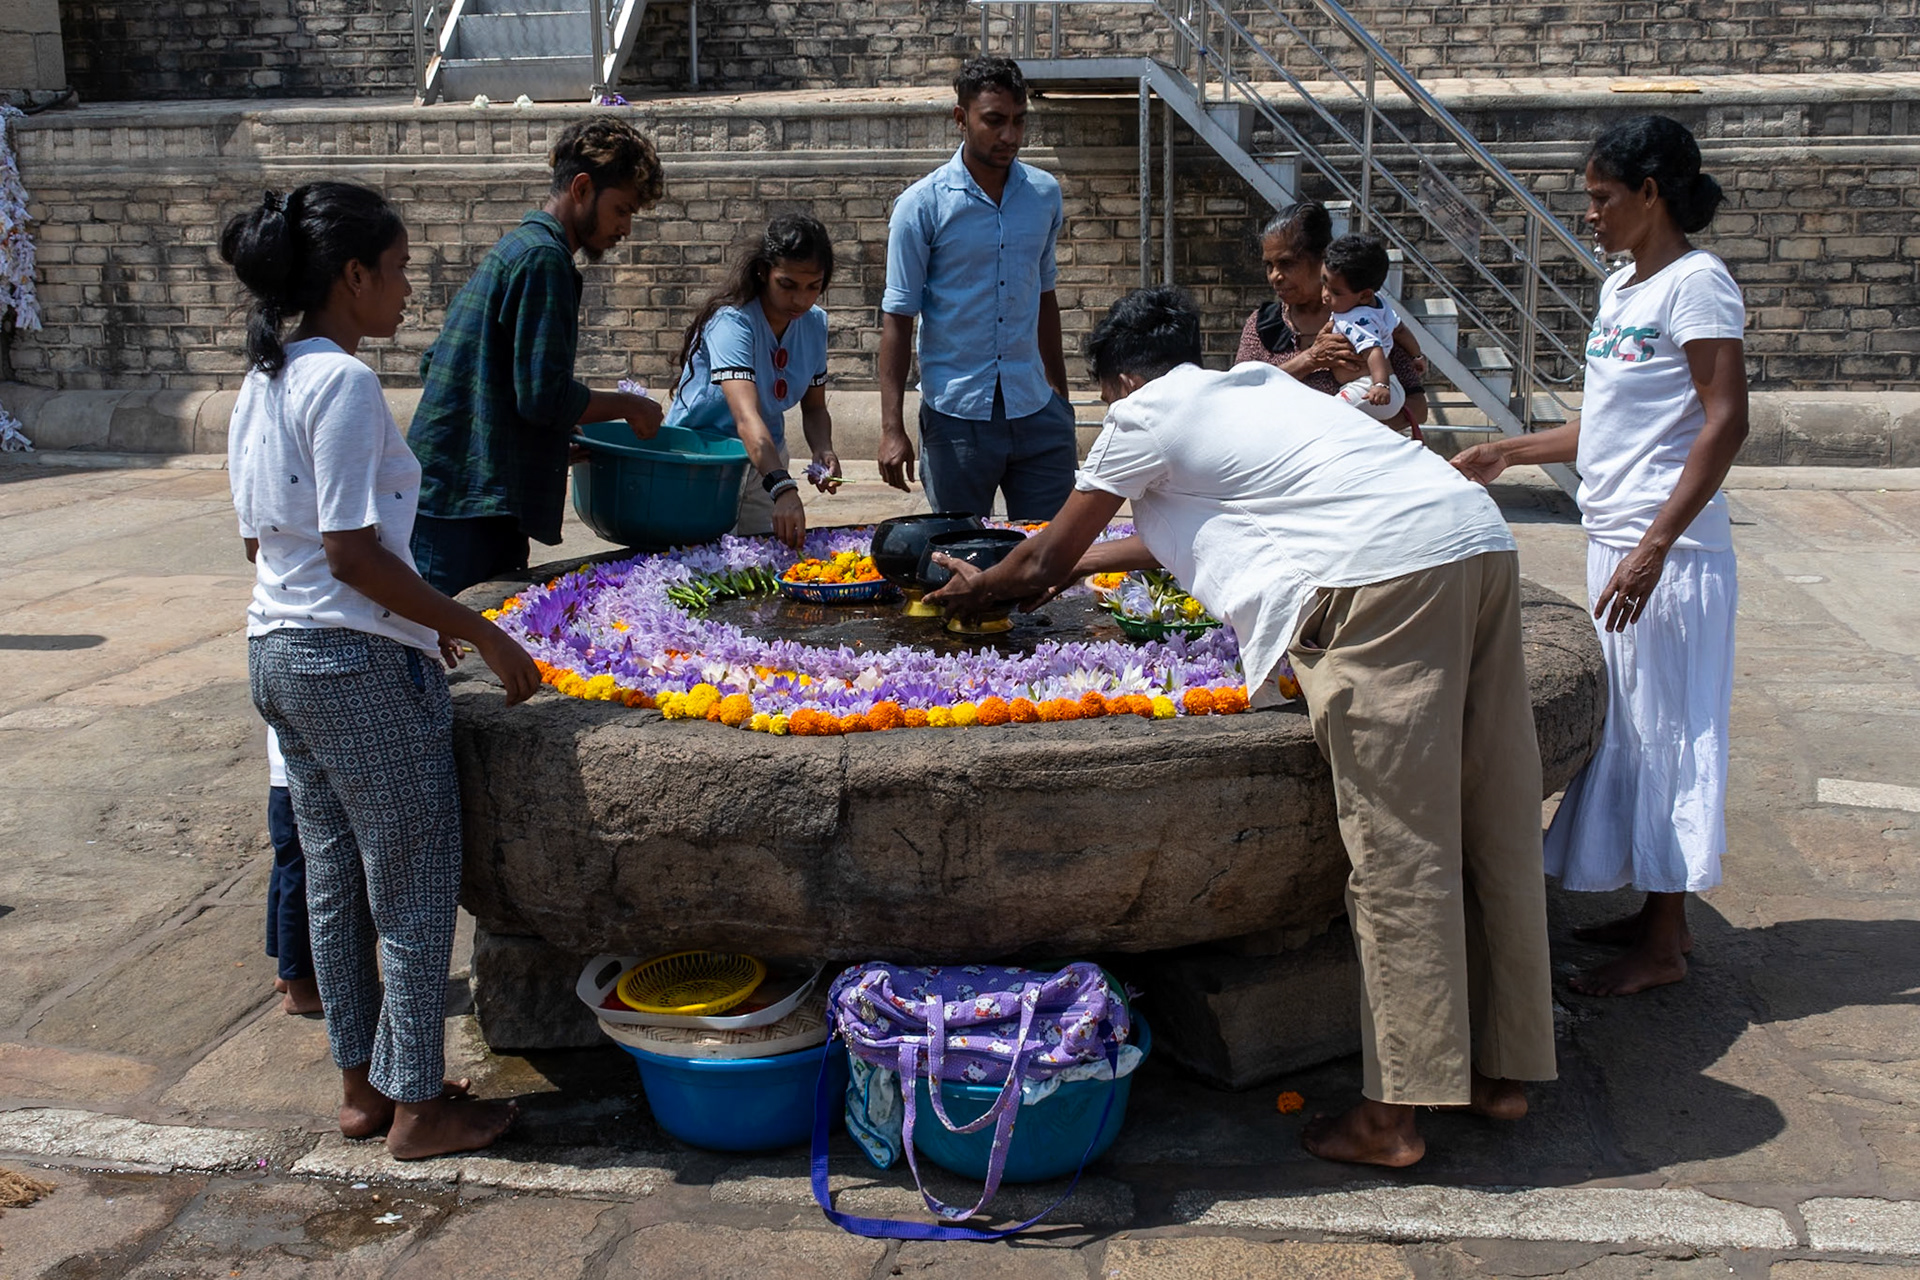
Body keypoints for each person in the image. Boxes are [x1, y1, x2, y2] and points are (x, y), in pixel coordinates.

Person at [928, 287, 1557, 1167]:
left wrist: (988, 584)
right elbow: (1152, 536)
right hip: (1474, 547)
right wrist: (1051, 577)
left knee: (1397, 851)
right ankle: (1500, 1073)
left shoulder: (1139, 415)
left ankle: (1393, 1118)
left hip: (1383, 581)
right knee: (1490, 820)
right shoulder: (1254, 392)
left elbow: (1043, 548)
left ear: (1117, 380)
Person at [221, 181, 542, 1159]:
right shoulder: (344, 384)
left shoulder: (262, 380)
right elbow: (351, 552)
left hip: (277, 651)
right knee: (409, 879)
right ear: (351, 277)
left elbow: (265, 548)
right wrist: (479, 631)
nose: (409, 288)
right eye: (398, 270)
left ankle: (363, 1084)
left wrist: (412, 624)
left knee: (333, 872)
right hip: (346, 661)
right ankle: (417, 1105)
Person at [1452, 116, 1747, 998]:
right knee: (1630, 726)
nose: (1590, 214)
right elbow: (1607, 428)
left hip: (1673, 553)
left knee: (1667, 732)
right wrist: (1511, 451)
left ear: (1650, 195)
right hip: (1616, 537)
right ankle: (1664, 918)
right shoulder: (1624, 287)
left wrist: (1657, 544)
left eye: (1602, 197)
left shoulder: (1698, 285)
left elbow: (1726, 419)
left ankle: (1661, 946)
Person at [407, 117, 667, 598]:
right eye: (622, 210)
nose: (626, 229)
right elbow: (542, 397)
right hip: (467, 508)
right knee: (461, 654)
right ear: (583, 188)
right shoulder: (543, 260)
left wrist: (536, 442)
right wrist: (631, 407)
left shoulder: (518, 247)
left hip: (459, 496)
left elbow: (438, 363)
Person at [877, 56, 1076, 520]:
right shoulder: (920, 206)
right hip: (956, 417)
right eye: (994, 121)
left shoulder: (1044, 195)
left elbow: (1045, 297)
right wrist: (892, 428)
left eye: (1019, 121)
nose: (1009, 135)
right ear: (961, 119)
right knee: (962, 559)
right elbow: (898, 318)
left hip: (1036, 410)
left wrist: (1061, 404)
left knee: (1048, 555)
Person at [665, 214, 842, 550]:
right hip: (702, 462)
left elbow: (815, 407)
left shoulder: (815, 323)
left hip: (765, 460)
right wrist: (783, 487)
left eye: (813, 287)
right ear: (763, 272)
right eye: (787, 285)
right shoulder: (732, 322)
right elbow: (746, 418)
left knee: (762, 564)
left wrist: (824, 448)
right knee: (699, 564)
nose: (801, 300)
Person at [1236, 202, 1429, 434]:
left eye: (1286, 263)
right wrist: (1310, 360)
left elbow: (1418, 408)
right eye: (1269, 266)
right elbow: (1238, 396)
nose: (1275, 277)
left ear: (1321, 259)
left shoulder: (1364, 318)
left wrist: (1345, 432)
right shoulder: (1262, 327)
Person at [1322, 232, 1423, 423]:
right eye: (1324, 284)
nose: (1326, 295)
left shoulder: (1357, 319)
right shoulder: (1379, 305)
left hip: (1369, 389)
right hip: (1380, 388)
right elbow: (1400, 330)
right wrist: (1416, 355)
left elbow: (1373, 350)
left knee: (1328, 416)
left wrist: (1380, 384)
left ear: (1364, 295)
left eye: (1335, 292)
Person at [264, 726, 320, 1015]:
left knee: (289, 873)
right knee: (301, 882)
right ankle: (300, 988)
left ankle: (287, 972)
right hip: (298, 773)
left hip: (285, 771)